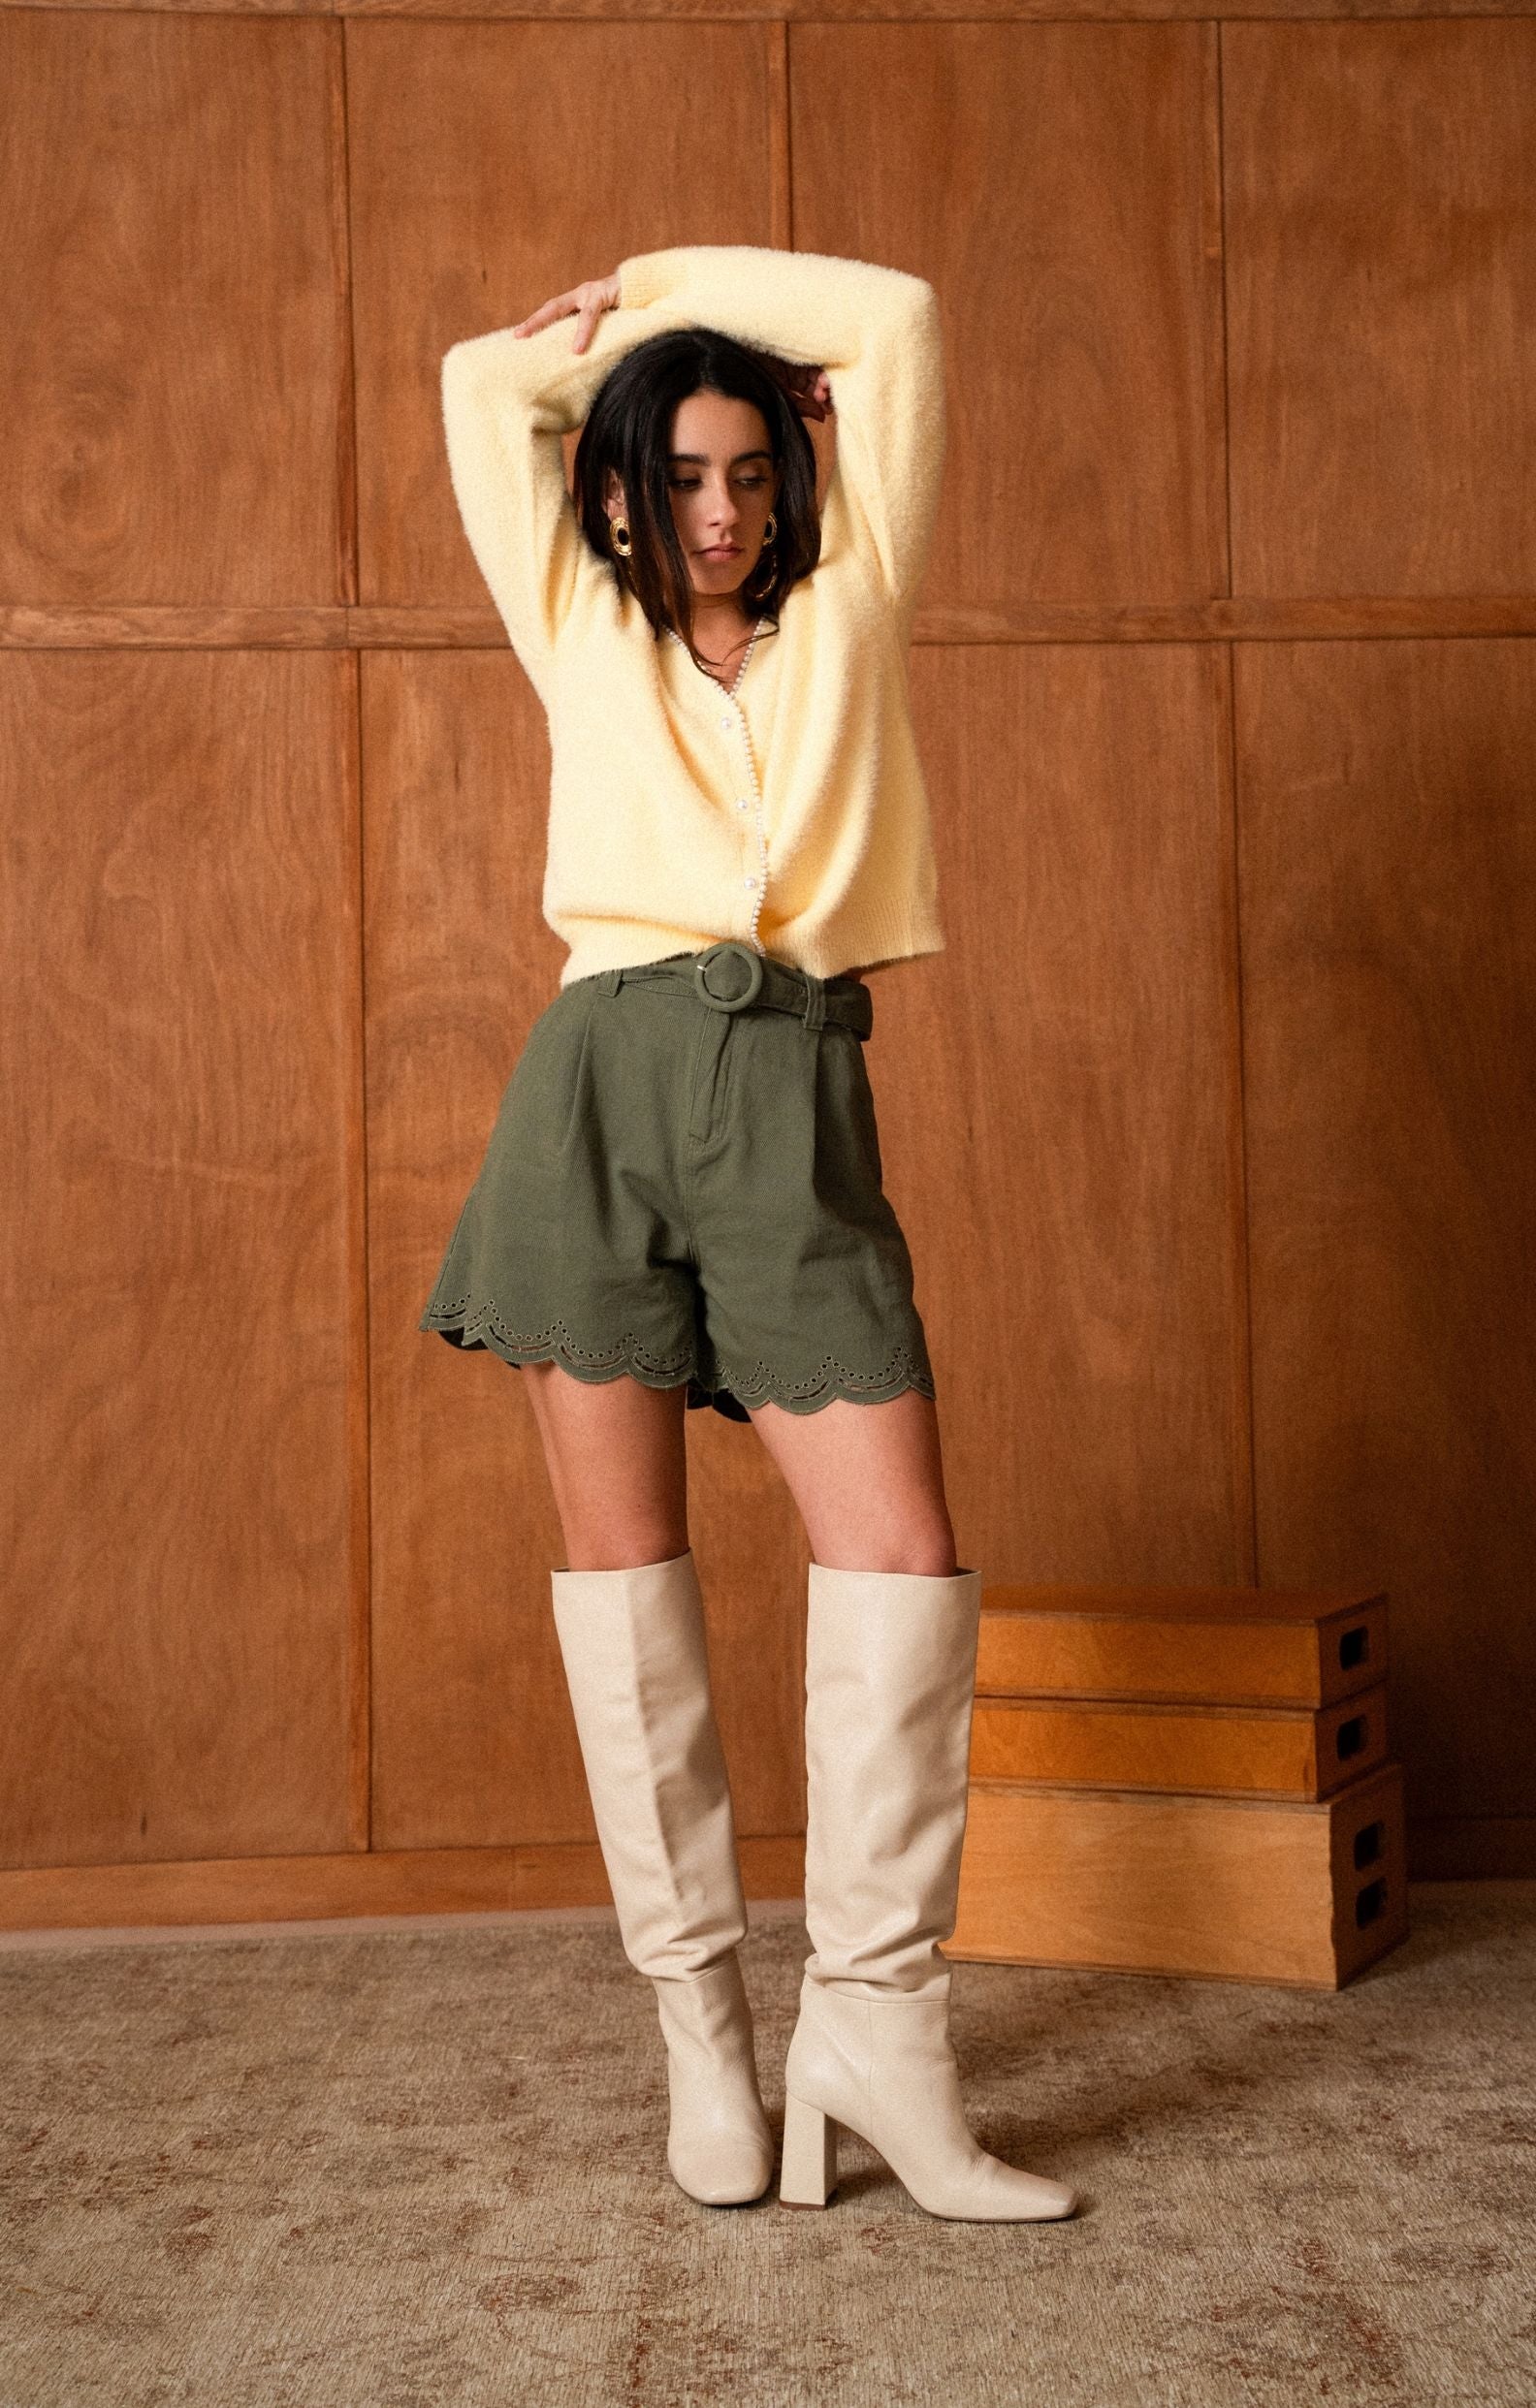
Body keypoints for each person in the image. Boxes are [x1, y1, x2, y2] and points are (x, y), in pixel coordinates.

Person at [418, 246, 1077, 2224]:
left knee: (900, 1559)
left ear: (797, 478)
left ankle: (877, 2034)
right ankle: (705, 2038)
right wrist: (625, 353)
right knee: (625, 1576)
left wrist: (677, 286)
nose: (721, 514)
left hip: (792, 1094)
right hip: (596, 1096)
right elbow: (481, 386)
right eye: (682, 477)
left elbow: (902, 325)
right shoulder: (575, 615)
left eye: (751, 472)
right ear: (623, 495)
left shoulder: (854, 596)